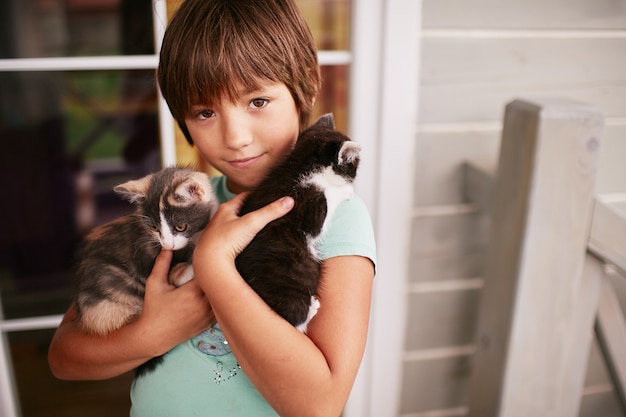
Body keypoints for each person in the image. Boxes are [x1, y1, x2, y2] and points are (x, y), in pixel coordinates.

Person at [48, 0, 377, 416]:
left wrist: (215, 265)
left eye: (257, 101)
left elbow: (318, 405)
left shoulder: (336, 220)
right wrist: (154, 333)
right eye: (205, 112)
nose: (235, 136)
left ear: (307, 85)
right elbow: (64, 358)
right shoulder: (177, 214)